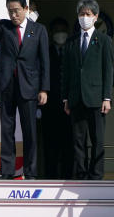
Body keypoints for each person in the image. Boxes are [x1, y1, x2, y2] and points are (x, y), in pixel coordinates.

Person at [0, 0, 50, 180]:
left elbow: (44, 61)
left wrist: (43, 89)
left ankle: (30, 171)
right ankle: (7, 171)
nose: (13, 15)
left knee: (29, 131)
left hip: (29, 87)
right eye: (10, 12)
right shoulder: (5, 27)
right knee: (7, 130)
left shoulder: (38, 30)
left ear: (25, 9)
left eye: (16, 11)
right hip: (7, 85)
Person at [61, 0, 113, 180]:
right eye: (81, 14)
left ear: (96, 17)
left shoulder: (104, 40)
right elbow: (65, 71)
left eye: (88, 14)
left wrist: (107, 97)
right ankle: (81, 174)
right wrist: (65, 98)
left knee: (97, 139)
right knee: (78, 140)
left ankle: (96, 174)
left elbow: (108, 71)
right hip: (76, 98)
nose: (84, 17)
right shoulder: (71, 41)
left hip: (96, 98)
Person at [41, 17, 73, 179]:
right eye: (57, 30)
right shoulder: (45, 52)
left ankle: (69, 176)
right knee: (50, 145)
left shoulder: (73, 50)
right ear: (51, 33)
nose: (60, 34)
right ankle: (50, 176)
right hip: (49, 106)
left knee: (70, 144)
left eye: (63, 30)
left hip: (71, 107)